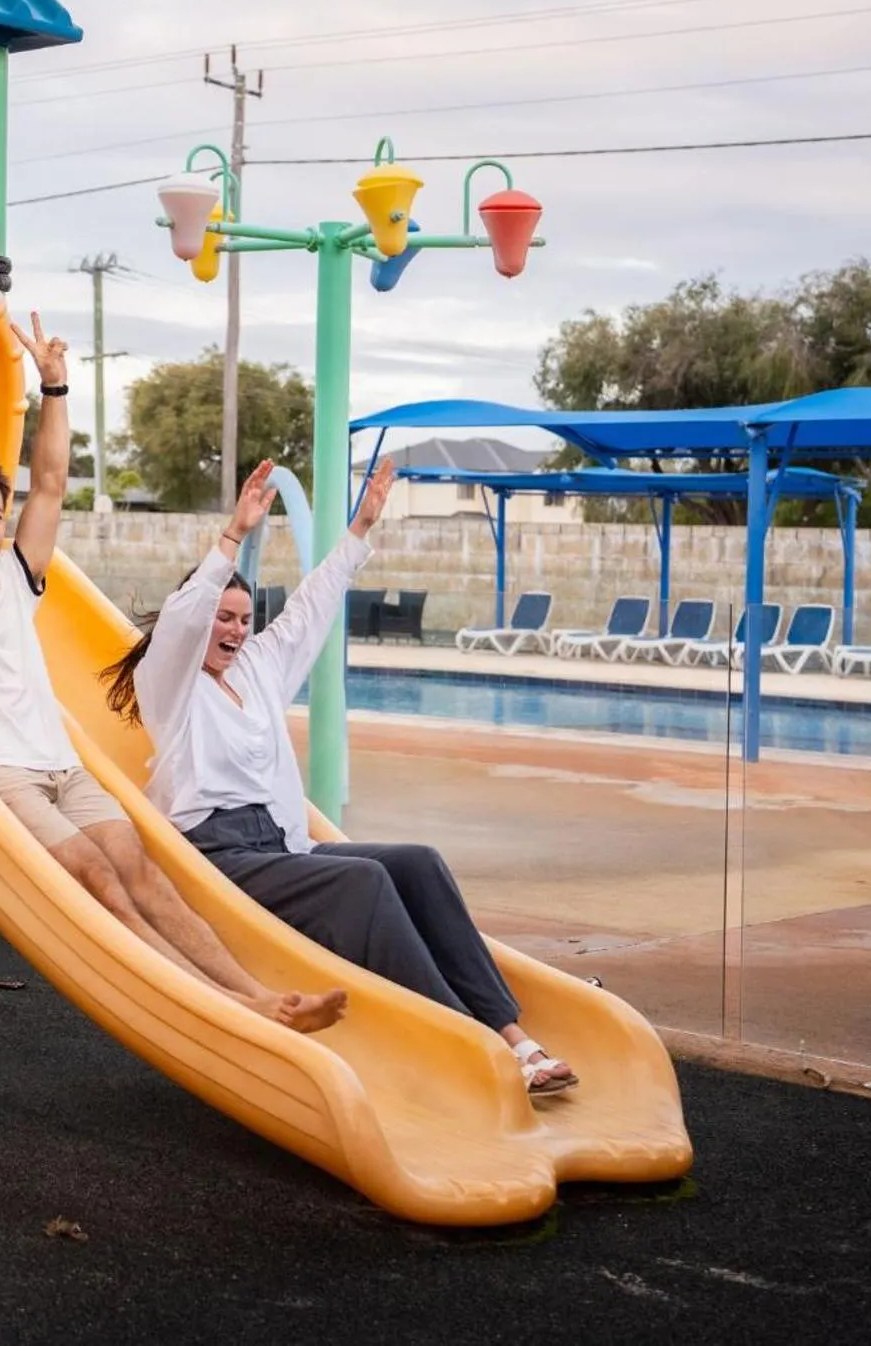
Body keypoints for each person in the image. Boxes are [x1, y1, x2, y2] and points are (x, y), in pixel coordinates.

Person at [0, 309, 345, 1035]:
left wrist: (56, 386)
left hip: (61, 766)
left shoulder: (16, 576)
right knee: (96, 877)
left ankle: (258, 996)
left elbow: (54, 482)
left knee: (143, 874)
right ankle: (221, 1007)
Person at [100, 458, 578, 1094]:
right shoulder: (172, 685)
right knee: (366, 881)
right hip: (216, 853)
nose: (235, 629)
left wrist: (360, 527)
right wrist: (232, 536)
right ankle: (476, 1043)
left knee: (418, 862)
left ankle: (512, 1032)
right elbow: (185, 618)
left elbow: (311, 605)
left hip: (275, 845)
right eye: (223, 616)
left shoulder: (259, 668)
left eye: (243, 618)